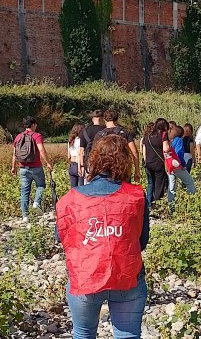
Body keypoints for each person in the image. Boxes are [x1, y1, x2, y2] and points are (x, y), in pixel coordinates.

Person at [56, 135, 150, 339]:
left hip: (85, 277)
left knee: (83, 334)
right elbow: (141, 241)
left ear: (93, 160)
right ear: (126, 162)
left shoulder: (70, 199)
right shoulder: (137, 196)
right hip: (127, 276)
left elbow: (62, 239)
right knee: (128, 335)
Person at [11, 116, 54, 222]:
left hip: (23, 168)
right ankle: (36, 203)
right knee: (41, 185)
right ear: (33, 125)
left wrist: (13, 167)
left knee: (24, 191)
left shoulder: (18, 137)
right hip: (36, 167)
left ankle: (25, 216)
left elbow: (14, 154)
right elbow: (41, 150)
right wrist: (48, 162)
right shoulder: (36, 136)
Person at [93, 110, 141, 184]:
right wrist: (137, 170)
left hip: (104, 170)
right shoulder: (125, 133)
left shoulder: (99, 135)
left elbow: (94, 154)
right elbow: (134, 152)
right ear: (117, 119)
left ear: (104, 120)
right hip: (122, 169)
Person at [142, 119, 170, 202]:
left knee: (151, 184)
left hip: (148, 163)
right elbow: (166, 149)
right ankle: (157, 204)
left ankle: (149, 203)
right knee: (159, 185)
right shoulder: (163, 134)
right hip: (158, 163)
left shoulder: (147, 135)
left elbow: (144, 149)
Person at [168, 125, 196, 206]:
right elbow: (179, 153)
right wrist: (182, 165)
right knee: (189, 182)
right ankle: (192, 202)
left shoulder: (170, 141)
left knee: (171, 187)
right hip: (177, 166)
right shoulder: (179, 141)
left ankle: (171, 206)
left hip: (170, 167)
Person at [79, 110, 105, 184]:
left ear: (92, 119)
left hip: (89, 162)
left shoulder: (85, 131)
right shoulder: (105, 130)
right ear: (102, 118)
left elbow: (81, 151)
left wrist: (82, 165)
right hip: (102, 163)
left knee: (88, 186)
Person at [140, 122, 156, 205]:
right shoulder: (154, 138)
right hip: (153, 161)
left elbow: (141, 151)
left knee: (150, 183)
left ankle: (149, 201)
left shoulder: (143, 139)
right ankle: (152, 200)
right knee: (154, 182)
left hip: (146, 162)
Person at [67, 123, 84, 188]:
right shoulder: (80, 140)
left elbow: (68, 156)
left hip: (72, 165)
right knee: (82, 188)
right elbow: (80, 154)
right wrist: (80, 166)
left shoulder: (70, 141)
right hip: (78, 164)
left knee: (73, 189)